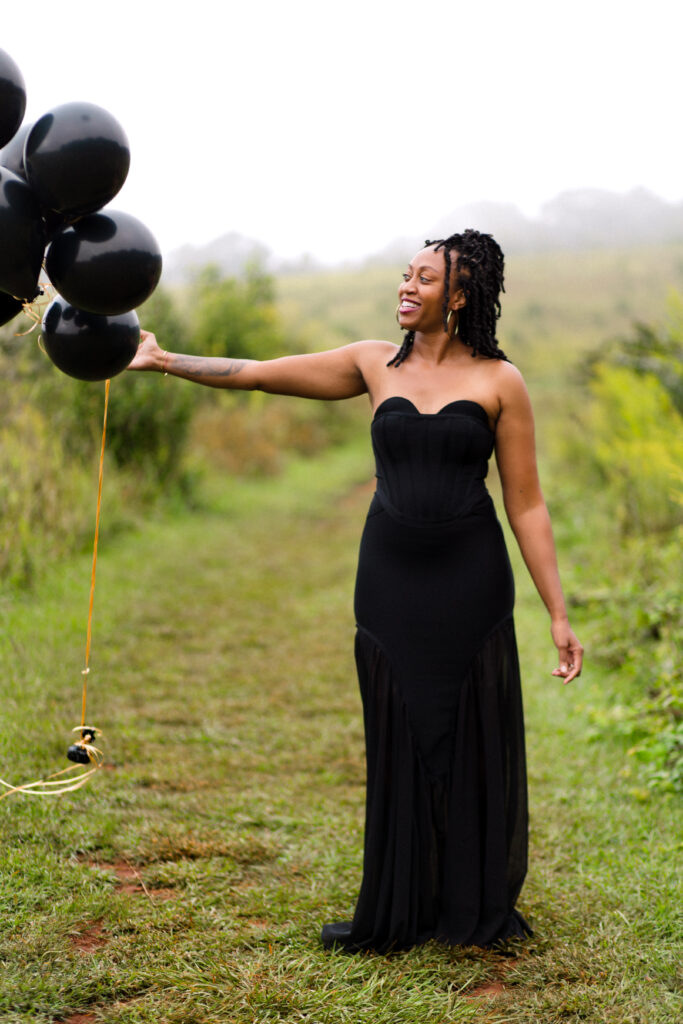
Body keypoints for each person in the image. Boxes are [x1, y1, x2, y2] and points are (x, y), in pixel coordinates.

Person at [129, 228, 583, 953]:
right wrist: (162, 361)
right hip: (389, 581)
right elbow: (254, 372)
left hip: (471, 579)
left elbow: (526, 502)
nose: (406, 286)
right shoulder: (372, 364)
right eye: (404, 274)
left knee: (464, 726)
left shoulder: (502, 381)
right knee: (399, 724)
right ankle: (400, 900)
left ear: (460, 296)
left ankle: (469, 901)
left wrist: (557, 612)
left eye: (424, 278)